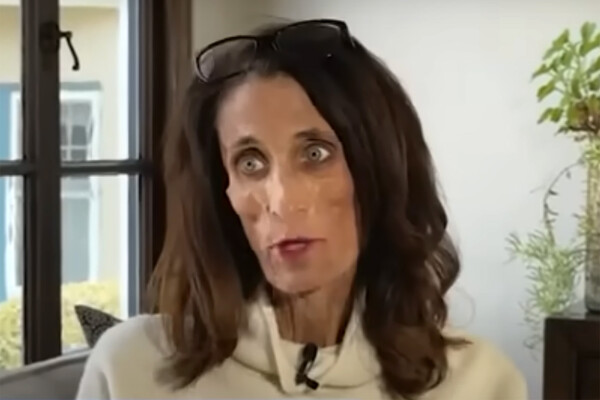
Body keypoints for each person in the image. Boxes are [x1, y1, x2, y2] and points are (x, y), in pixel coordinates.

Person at [76, 19, 527, 399]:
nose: (281, 200)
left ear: (382, 169)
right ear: (223, 192)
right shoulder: (132, 369)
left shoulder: (479, 383)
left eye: (315, 154)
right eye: (250, 162)